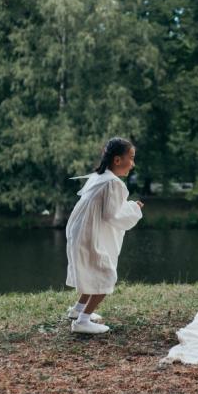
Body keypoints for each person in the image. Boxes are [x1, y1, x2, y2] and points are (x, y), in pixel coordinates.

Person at [65, 137, 143, 334]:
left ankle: (78, 310)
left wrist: (129, 206)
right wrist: (134, 208)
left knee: (94, 271)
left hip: (80, 232)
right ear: (117, 160)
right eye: (131, 158)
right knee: (105, 275)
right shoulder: (114, 183)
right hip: (87, 234)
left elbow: (106, 208)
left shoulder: (99, 177)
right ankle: (81, 322)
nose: (132, 164)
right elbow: (112, 215)